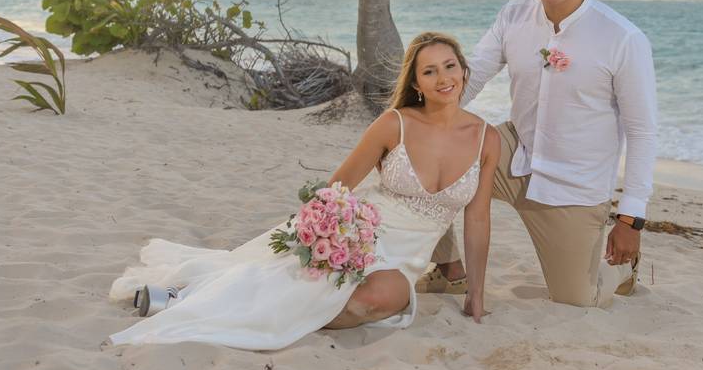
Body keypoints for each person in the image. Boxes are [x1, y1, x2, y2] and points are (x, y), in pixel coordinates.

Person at [108, 32, 501, 350]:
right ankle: (193, 302)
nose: (443, 78)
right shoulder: (394, 122)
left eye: (450, 66)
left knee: (371, 303)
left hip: (406, 258)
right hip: (359, 233)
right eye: (430, 71)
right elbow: (336, 187)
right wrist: (321, 232)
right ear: (416, 82)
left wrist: (476, 294)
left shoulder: (487, 138)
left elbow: (478, 218)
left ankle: (244, 309)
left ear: (465, 71)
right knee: (303, 283)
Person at [417, 0, 657, 308]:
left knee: (578, 300)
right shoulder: (514, 15)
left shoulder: (623, 39)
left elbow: (642, 133)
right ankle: (449, 270)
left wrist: (631, 220)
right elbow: (472, 74)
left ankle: (621, 271)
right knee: (424, 166)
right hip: (514, 152)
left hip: (574, 186)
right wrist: (418, 126)